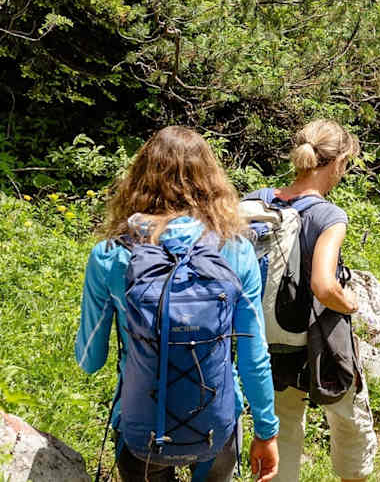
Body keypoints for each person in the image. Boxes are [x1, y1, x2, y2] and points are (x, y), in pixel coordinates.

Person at [75, 126, 279, 482]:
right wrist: (267, 430)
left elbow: (90, 360)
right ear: (212, 180)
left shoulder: (111, 254)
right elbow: (254, 355)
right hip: (217, 423)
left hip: (140, 422)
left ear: (138, 178)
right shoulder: (235, 250)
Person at [245, 119, 376, 482]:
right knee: (349, 417)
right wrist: (349, 302)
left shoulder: (255, 201)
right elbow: (323, 285)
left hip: (263, 341)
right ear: (336, 163)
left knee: (283, 423)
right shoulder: (327, 215)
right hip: (316, 343)